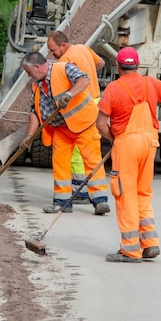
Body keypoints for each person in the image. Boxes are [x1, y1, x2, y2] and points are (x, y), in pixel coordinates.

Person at [96, 47, 161, 263]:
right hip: (150, 142)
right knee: (143, 193)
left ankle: (130, 250)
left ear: (118, 67)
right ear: (137, 66)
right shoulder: (150, 83)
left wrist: (114, 138)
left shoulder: (113, 89)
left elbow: (100, 123)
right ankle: (150, 244)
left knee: (125, 195)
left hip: (127, 145)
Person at [21, 51, 110, 215]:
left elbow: (84, 79)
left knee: (92, 161)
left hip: (84, 124)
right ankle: (62, 203)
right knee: (60, 165)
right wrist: (29, 136)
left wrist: (69, 94)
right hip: (61, 130)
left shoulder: (63, 69)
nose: (28, 76)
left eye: (28, 72)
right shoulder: (36, 86)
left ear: (37, 67)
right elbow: (34, 111)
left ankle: (100, 201)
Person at [47, 31, 105, 204]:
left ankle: (80, 190)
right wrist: (88, 70)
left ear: (63, 45)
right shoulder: (84, 48)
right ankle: (91, 191)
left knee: (78, 153)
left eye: (53, 49)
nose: (52, 54)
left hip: (82, 107)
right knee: (91, 150)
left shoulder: (64, 62)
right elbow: (101, 63)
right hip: (96, 101)